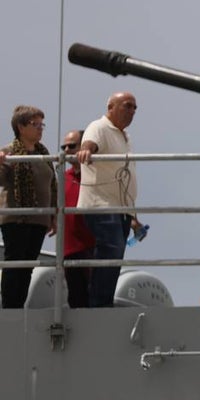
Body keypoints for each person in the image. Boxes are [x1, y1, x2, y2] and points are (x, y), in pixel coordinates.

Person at [76, 92, 138, 307]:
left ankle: (103, 302)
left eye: (134, 108)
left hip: (120, 208)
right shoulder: (99, 127)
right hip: (101, 204)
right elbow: (89, 144)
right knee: (111, 249)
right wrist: (85, 152)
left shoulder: (124, 136)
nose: (131, 111)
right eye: (127, 106)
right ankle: (99, 304)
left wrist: (133, 216)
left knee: (115, 254)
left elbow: (126, 179)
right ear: (111, 106)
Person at [0, 106, 57, 308]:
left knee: (28, 266)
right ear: (21, 127)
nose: (40, 128)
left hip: (39, 220)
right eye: (35, 124)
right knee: (15, 263)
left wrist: (54, 214)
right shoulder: (8, 153)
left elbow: (52, 185)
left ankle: (18, 305)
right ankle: (9, 308)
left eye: (42, 124)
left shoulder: (44, 153)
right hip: (16, 218)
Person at [61, 129, 95, 308]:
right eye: (64, 146)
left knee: (96, 297)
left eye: (72, 146)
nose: (67, 150)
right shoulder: (62, 177)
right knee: (76, 298)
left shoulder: (97, 172)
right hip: (69, 248)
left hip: (93, 245)